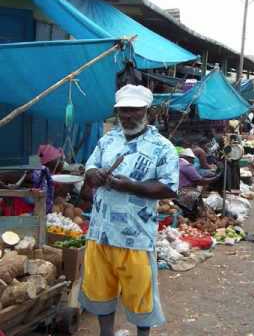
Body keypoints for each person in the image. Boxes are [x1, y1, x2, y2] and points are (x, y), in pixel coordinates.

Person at [80, 84, 179, 336]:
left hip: (135, 236)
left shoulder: (162, 146)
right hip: (101, 232)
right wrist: (95, 174)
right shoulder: (107, 139)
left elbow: (169, 188)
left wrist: (133, 186)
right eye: (123, 111)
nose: (128, 116)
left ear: (147, 110)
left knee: (140, 294)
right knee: (100, 289)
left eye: (134, 110)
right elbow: (89, 168)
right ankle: (106, 333)